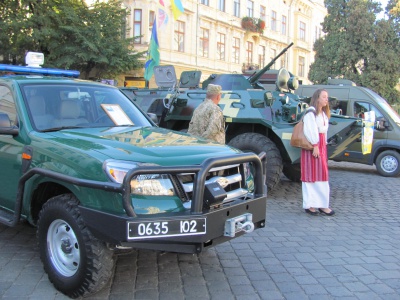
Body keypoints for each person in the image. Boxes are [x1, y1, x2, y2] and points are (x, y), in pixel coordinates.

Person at [302, 88, 335, 216]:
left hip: (321, 146)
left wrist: (322, 145)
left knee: (321, 174)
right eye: (324, 97)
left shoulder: (323, 114)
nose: (326, 99)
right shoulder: (311, 113)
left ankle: (322, 204)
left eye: (327, 97)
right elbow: (310, 129)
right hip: (313, 146)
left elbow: (323, 132)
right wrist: (315, 144)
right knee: (311, 174)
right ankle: (310, 204)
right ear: (317, 99)